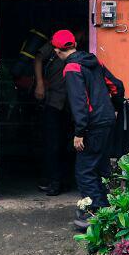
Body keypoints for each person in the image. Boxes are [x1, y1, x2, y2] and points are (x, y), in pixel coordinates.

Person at [55, 29, 124, 230]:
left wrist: (79, 132)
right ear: (74, 44)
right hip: (107, 121)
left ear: (57, 51)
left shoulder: (72, 68)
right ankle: (106, 210)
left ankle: (95, 214)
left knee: (84, 170)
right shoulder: (94, 61)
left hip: (92, 125)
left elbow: (79, 104)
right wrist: (115, 109)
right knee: (100, 166)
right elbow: (117, 86)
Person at [33, 31, 72, 196]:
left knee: (65, 144)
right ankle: (53, 181)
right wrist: (40, 83)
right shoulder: (55, 44)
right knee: (53, 144)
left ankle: (61, 181)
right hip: (54, 101)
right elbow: (38, 58)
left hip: (70, 104)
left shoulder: (76, 52)